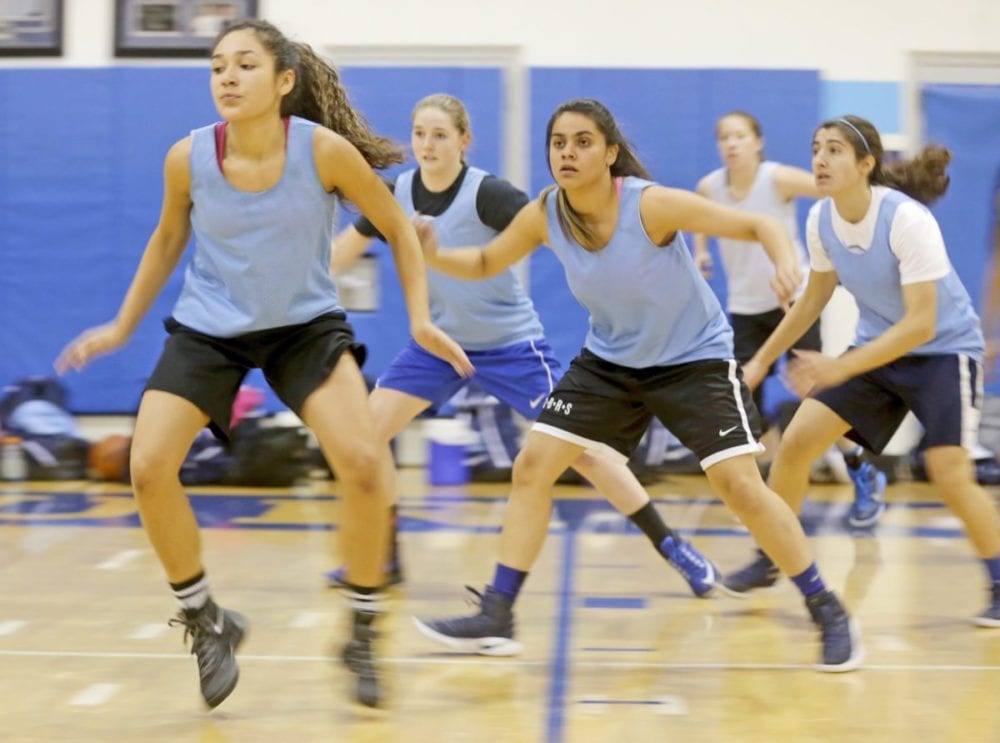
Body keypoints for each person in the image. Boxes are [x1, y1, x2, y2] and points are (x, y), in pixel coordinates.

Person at [54, 20, 472, 708]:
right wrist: (121, 326)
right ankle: (206, 618)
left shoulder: (325, 152)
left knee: (365, 463)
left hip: (302, 329)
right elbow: (166, 241)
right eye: (218, 65)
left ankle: (362, 628)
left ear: (283, 82)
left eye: (244, 64)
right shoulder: (186, 158)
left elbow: (396, 226)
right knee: (148, 465)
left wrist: (422, 319)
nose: (226, 76)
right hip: (209, 332)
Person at [411, 98, 863, 671]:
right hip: (610, 363)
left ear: (610, 153)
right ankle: (498, 611)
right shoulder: (547, 211)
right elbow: (483, 263)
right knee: (533, 466)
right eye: (558, 143)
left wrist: (783, 263)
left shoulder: (649, 206)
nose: (568, 153)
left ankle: (826, 606)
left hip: (692, 359)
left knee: (740, 486)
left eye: (582, 142)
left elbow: (761, 222)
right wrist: (437, 254)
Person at [325, 93, 726, 599]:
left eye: (440, 135)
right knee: (364, 438)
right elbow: (345, 250)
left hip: (511, 345)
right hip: (438, 346)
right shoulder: (399, 192)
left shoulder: (489, 195)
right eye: (420, 134)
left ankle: (673, 547)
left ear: (464, 141)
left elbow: (558, 224)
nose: (427, 144)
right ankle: (384, 555)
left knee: (584, 454)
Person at [725, 115, 1000, 628]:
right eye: (815, 149)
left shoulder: (906, 220)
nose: (820, 160)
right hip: (877, 350)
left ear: (866, 164)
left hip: (943, 351)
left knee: (948, 470)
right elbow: (812, 301)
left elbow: (922, 324)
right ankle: (772, 557)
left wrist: (841, 365)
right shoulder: (821, 220)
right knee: (798, 440)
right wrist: (761, 360)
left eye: (834, 150)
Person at [693, 111, 887, 529]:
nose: (732, 144)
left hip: (793, 302)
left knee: (816, 393)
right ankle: (765, 495)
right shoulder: (710, 185)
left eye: (740, 136)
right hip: (745, 307)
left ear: (758, 141)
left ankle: (860, 466)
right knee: (742, 398)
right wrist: (702, 251)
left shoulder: (776, 178)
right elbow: (701, 215)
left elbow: (828, 189)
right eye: (724, 137)